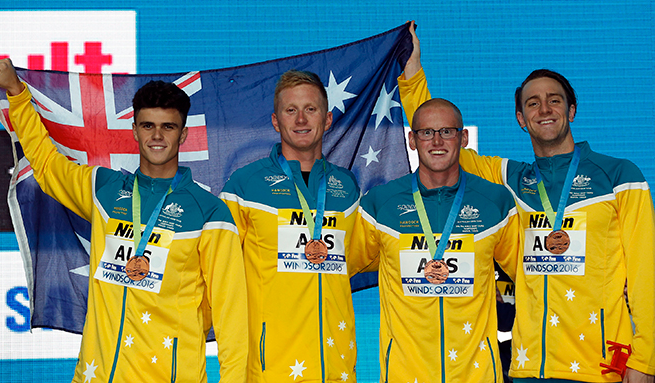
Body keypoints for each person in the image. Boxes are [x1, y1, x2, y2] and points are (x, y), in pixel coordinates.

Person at [398, 22, 655, 383]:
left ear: (572, 110)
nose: (544, 108)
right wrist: (412, 77)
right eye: (532, 103)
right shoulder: (514, 180)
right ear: (521, 119)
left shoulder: (618, 176)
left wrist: (645, 359)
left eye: (554, 100)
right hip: (528, 367)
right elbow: (442, 142)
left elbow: (647, 273)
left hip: (602, 368)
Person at [0, 59, 248, 382]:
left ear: (184, 133)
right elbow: (47, 164)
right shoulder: (104, 190)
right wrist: (16, 92)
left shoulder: (209, 213)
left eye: (168, 126)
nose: (157, 136)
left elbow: (232, 317)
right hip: (95, 375)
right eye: (148, 125)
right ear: (134, 130)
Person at [349, 98, 521, 382]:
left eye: (447, 131)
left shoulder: (496, 202)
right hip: (405, 374)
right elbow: (335, 268)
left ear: (463, 137)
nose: (437, 140)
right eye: (426, 132)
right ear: (412, 140)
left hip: (476, 374)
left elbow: (534, 277)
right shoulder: (381, 204)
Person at [219, 70, 361, 382]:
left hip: (337, 367)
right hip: (271, 368)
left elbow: (360, 258)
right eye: (290, 110)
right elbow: (218, 271)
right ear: (275, 121)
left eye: (310, 109)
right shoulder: (244, 186)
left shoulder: (347, 187)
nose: (300, 120)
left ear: (326, 120)